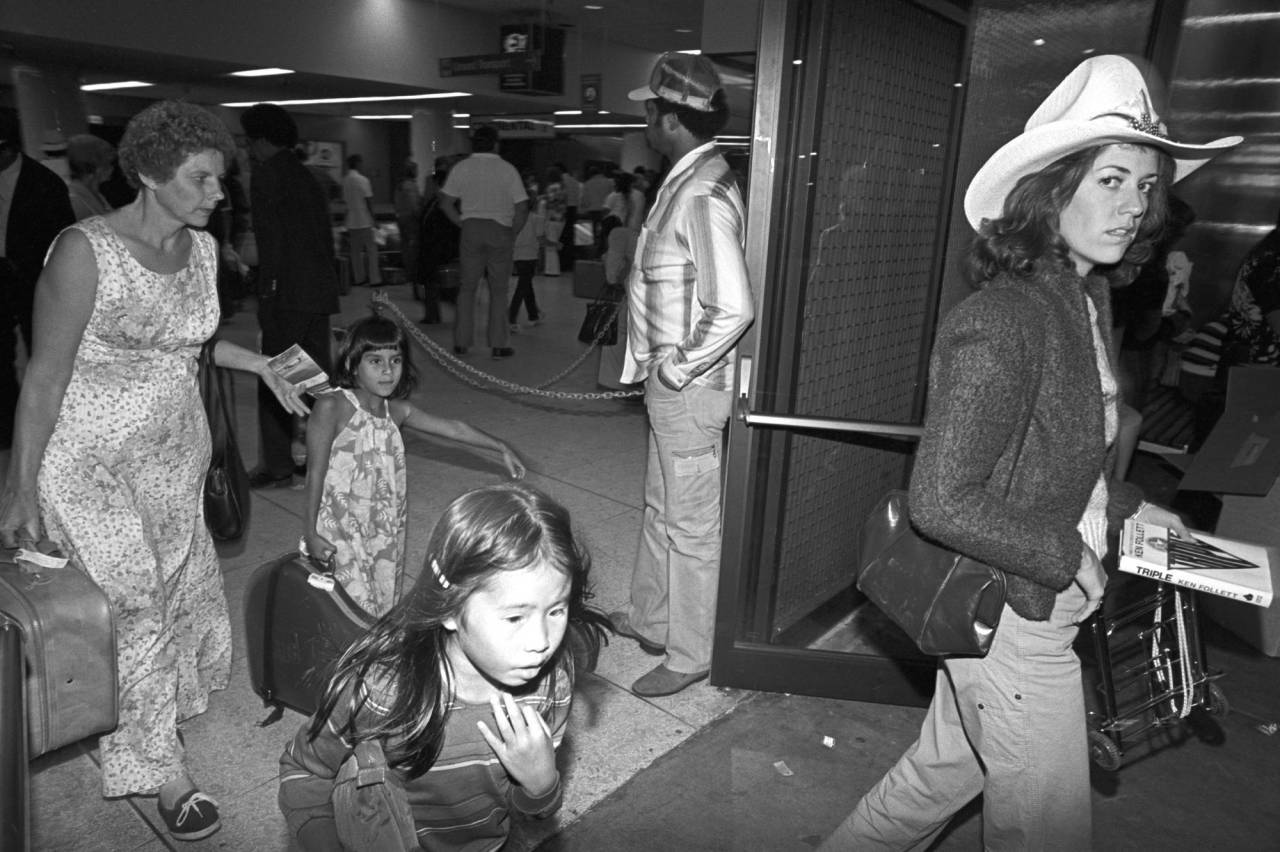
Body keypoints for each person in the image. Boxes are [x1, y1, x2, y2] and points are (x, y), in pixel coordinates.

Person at [817, 55, 1239, 850]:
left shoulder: (1081, 297)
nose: (1133, 206)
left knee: (939, 776)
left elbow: (1050, 459)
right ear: (1052, 191)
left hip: (1021, 608)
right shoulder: (1006, 318)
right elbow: (942, 496)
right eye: (1111, 180)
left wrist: (1131, 510)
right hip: (1012, 618)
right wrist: (1063, 556)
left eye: (1146, 186)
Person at [0, 99, 310, 842]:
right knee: (134, 602)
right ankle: (157, 768)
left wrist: (260, 363)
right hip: (90, 460)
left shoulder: (201, 251)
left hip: (176, 459)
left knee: (174, 589)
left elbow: (188, 344)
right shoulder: (84, 251)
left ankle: (143, 705)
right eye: (201, 179)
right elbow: (43, 378)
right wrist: (19, 489)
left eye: (221, 178)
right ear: (145, 173)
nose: (218, 194)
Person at [279, 481, 610, 851]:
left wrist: (541, 784)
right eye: (516, 617)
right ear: (450, 608)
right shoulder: (382, 690)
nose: (542, 642)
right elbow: (305, 769)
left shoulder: (551, 686)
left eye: (556, 610)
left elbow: (533, 811)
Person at [608, 52, 755, 697]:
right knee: (660, 509)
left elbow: (734, 307)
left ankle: (691, 652)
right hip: (672, 389)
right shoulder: (684, 181)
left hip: (690, 392)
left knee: (691, 525)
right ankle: (653, 619)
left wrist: (674, 370)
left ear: (668, 118)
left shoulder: (700, 194)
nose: (644, 117)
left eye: (650, 108)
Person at [303, 314, 526, 616]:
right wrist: (311, 532)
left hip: (384, 527)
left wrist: (499, 446)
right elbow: (314, 473)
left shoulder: (397, 411)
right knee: (348, 605)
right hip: (339, 528)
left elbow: (455, 428)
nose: (387, 371)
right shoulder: (332, 406)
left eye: (395, 361)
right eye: (375, 361)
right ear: (351, 365)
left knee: (381, 602)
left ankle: (373, 655)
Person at [240, 102, 341, 488]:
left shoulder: (267, 175)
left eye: (250, 141)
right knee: (318, 380)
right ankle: (326, 453)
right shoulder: (307, 174)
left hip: (286, 294)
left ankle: (278, 462)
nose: (249, 149)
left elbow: (271, 240)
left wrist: (268, 292)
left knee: (278, 374)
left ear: (262, 140)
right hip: (317, 291)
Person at [0, 111, 75, 481]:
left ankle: (52, 428)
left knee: (42, 355)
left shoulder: (43, 183)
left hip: (33, 280)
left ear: (10, 147)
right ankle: (7, 429)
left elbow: (61, 239)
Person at [438, 124, 528, 360]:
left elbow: (445, 203)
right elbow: (522, 207)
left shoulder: (462, 167)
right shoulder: (508, 170)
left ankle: (461, 343)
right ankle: (499, 344)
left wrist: (461, 223)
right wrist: (513, 232)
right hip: (500, 230)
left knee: (467, 288)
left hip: (470, 229)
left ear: (473, 144)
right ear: (496, 143)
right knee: (499, 291)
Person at [509, 180, 547, 329]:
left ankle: (533, 315)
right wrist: (555, 244)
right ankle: (511, 318)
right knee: (523, 286)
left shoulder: (513, 217)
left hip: (517, 255)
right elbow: (540, 238)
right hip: (530, 255)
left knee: (526, 284)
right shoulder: (537, 219)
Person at [343, 153, 382, 287]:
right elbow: (368, 201)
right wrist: (375, 219)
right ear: (358, 163)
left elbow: (346, 202)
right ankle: (374, 279)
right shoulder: (363, 180)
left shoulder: (345, 180)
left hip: (352, 221)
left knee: (355, 253)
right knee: (371, 251)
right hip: (364, 220)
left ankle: (359, 278)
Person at [66, 133, 117, 220]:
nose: (112, 168)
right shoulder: (75, 199)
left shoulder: (96, 193)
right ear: (97, 167)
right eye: (108, 163)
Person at [393, 158, 422, 283]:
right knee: (413, 247)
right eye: (416, 169)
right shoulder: (410, 185)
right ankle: (413, 273)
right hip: (411, 219)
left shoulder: (399, 185)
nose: (417, 172)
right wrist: (420, 216)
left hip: (400, 218)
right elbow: (414, 205)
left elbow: (396, 203)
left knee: (405, 247)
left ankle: (408, 273)